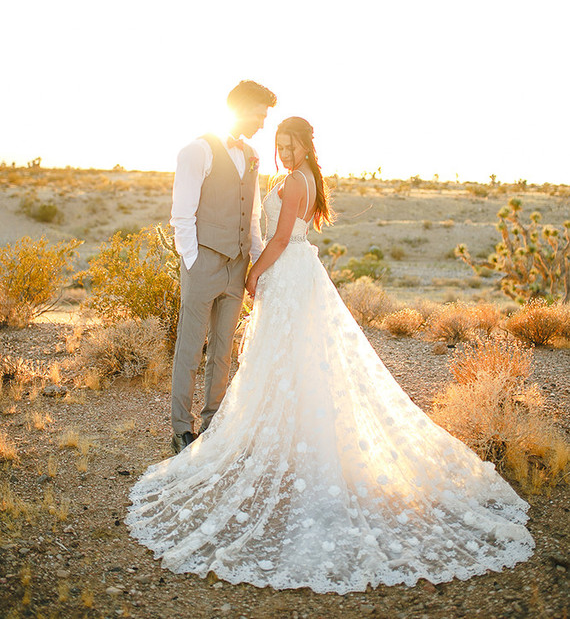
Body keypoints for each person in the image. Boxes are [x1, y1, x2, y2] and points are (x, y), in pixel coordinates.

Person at [127, 117, 534, 594]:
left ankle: (286, 443)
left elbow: (279, 239)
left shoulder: (299, 180)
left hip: (285, 270)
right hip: (291, 272)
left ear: (306, 146)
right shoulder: (296, 177)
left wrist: (253, 274)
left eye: (292, 144)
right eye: (280, 144)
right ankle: (272, 433)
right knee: (290, 360)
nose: (284, 151)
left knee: (286, 357)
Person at [169, 80, 277, 454]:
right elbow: (181, 214)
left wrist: (256, 263)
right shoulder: (197, 150)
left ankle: (213, 421)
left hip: (238, 264)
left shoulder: (251, 154)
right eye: (261, 115)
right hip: (204, 261)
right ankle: (181, 428)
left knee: (222, 349)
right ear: (243, 108)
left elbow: (254, 215)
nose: (263, 124)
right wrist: (193, 259)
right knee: (189, 346)